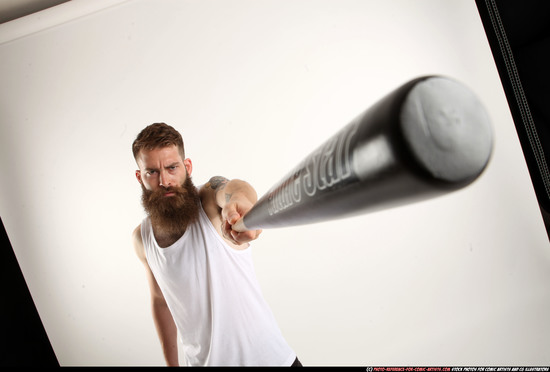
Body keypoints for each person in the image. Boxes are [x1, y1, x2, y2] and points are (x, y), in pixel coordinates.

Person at [131, 123, 300, 366]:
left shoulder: (207, 201)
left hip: (271, 361)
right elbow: (160, 301)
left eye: (172, 168)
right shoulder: (142, 239)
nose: (165, 180)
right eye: (152, 172)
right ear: (140, 177)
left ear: (187, 167)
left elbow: (232, 188)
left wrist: (239, 204)